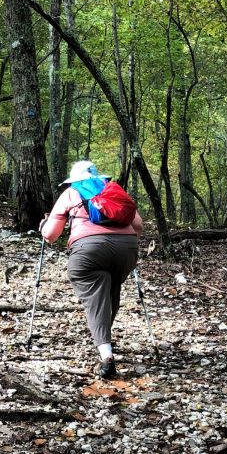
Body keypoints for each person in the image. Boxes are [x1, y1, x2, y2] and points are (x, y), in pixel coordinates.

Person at [40, 160, 143, 379]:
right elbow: (139, 226)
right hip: (127, 249)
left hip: (88, 251)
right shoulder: (113, 190)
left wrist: (43, 226)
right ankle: (104, 338)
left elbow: (50, 236)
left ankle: (106, 357)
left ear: (75, 179)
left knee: (97, 297)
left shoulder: (71, 193)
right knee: (110, 292)